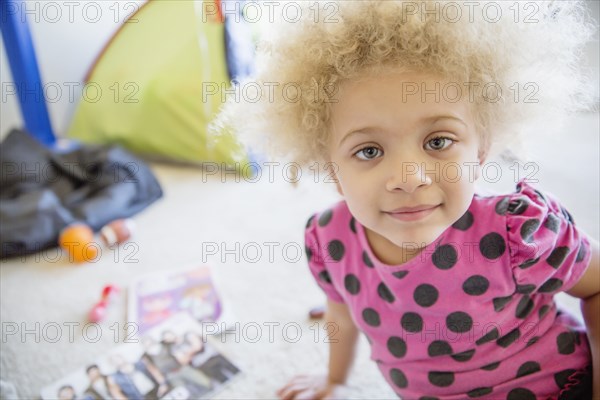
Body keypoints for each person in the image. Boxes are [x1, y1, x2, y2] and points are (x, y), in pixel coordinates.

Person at [214, 1, 599, 399]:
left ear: (480, 151)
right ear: (333, 172)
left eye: (438, 142)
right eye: (369, 151)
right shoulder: (328, 239)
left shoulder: (518, 233)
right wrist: (334, 380)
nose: (408, 179)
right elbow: (341, 315)